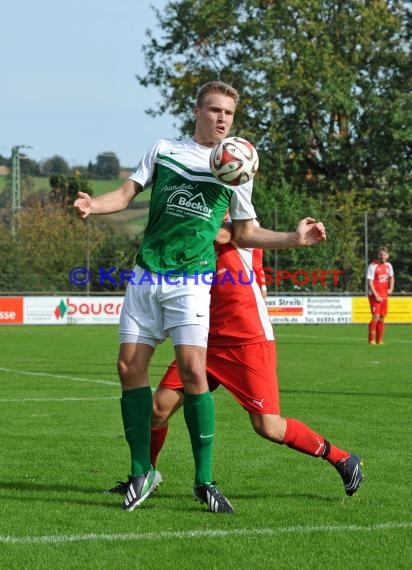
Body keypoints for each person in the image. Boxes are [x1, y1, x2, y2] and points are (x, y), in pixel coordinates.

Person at [74, 80, 326, 514]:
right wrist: (93, 206)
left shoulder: (238, 168)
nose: (222, 118)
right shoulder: (164, 149)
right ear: (197, 112)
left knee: (193, 371)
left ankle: (204, 481)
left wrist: (293, 238)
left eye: (228, 112)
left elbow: (246, 233)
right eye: (214, 110)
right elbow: (126, 193)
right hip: (146, 274)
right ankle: (141, 471)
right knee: (127, 368)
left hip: (191, 280)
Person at [109, 221, 364, 503]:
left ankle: (342, 459)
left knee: (268, 426)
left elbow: (222, 231)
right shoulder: (200, 233)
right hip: (203, 341)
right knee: (157, 410)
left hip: (247, 341)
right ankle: (147, 475)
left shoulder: (243, 226)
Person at [367, 246, 394, 345]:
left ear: (387, 256)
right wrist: (376, 295)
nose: (382, 256)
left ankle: (379, 340)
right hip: (374, 295)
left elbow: (391, 277)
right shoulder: (373, 266)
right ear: (378, 255)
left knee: (382, 317)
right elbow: (370, 282)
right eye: (381, 254)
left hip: (384, 295)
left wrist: (390, 288)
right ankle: (371, 340)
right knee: (376, 316)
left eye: (384, 254)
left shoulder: (389, 266)